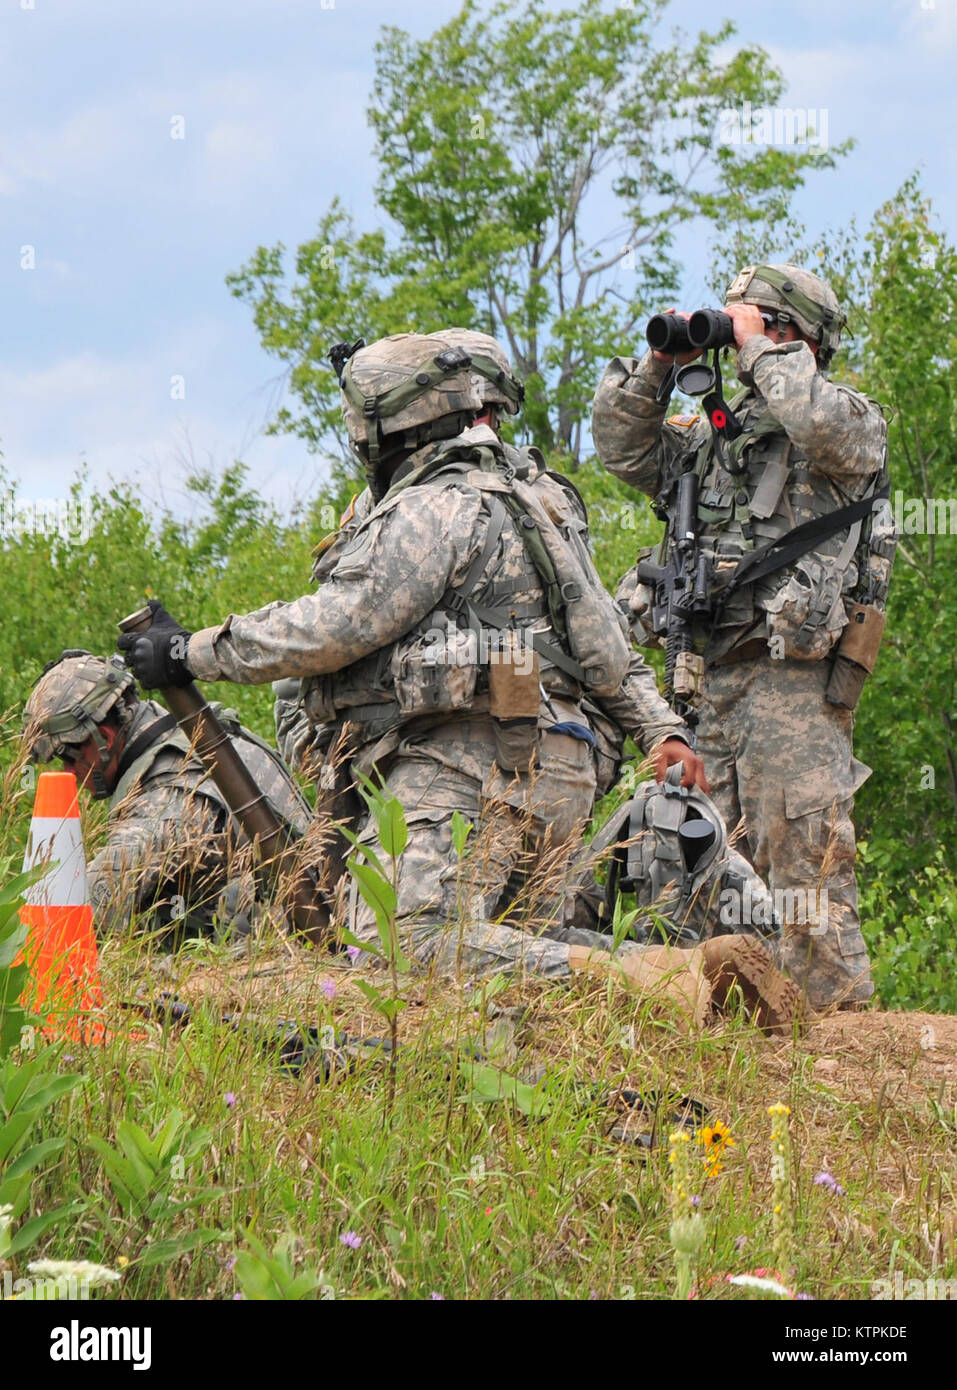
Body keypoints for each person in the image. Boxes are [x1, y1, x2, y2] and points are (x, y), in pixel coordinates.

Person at [118, 329, 797, 1028]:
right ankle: (711, 989)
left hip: (465, 765)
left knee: (407, 941)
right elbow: (602, 644)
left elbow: (336, 624)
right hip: (553, 770)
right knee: (504, 949)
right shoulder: (538, 500)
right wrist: (661, 729)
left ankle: (669, 977)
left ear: (390, 425)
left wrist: (190, 653)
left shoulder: (433, 506)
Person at [592, 265, 894, 1010]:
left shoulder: (848, 424)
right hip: (703, 681)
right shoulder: (710, 438)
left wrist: (760, 347)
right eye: (733, 322)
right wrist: (660, 365)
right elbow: (622, 450)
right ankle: (717, 1014)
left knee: (802, 863)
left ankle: (840, 1036)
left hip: (788, 682)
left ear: (796, 335)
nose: (733, 338)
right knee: (690, 855)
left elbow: (817, 422)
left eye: (756, 321)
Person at [22, 650, 311, 939]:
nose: (69, 772)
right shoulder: (203, 736)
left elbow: (76, 918)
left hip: (278, 959)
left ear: (105, 739)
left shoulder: (165, 799)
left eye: (69, 757)